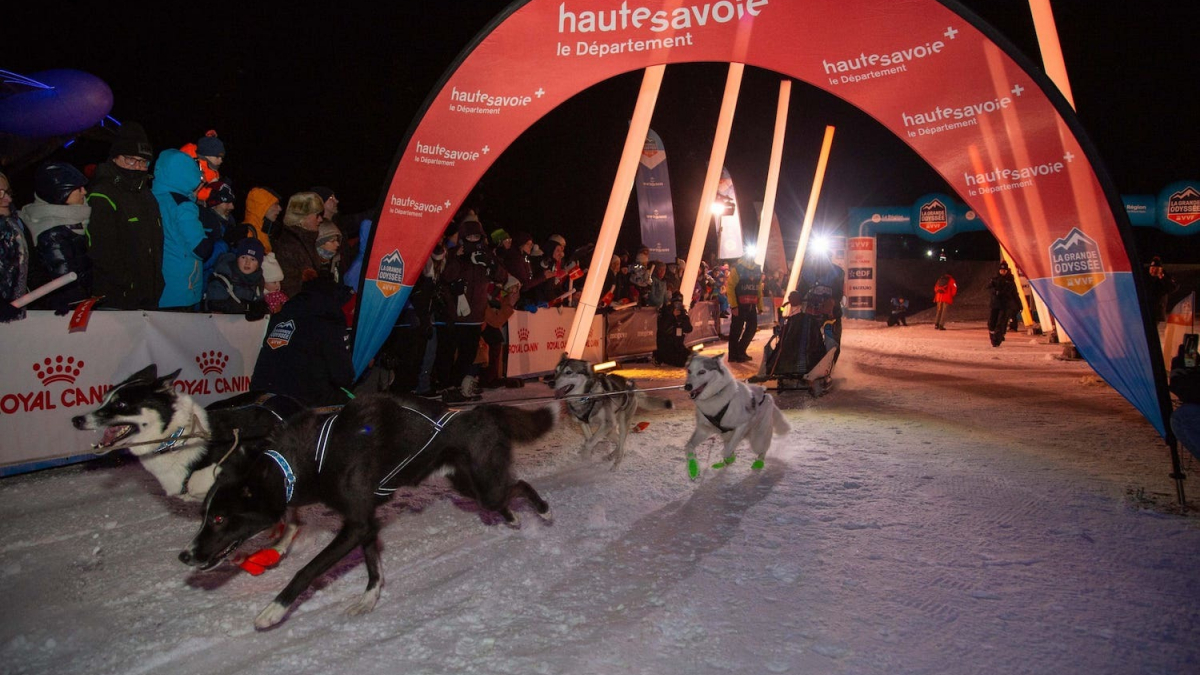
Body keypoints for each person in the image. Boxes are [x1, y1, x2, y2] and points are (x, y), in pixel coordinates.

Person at [85, 121, 165, 310]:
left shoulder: (146, 195)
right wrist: (128, 283)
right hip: (116, 298)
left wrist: (155, 283)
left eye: (143, 162)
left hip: (148, 297)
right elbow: (101, 250)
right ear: (115, 158)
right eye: (130, 159)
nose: (137, 167)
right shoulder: (102, 194)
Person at [250, 274, 355, 407]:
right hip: (301, 401)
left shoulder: (280, 317)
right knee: (354, 404)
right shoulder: (328, 323)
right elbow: (343, 376)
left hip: (262, 393)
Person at [436, 213, 507, 402]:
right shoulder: (453, 254)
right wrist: (459, 259)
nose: (474, 240)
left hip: (475, 316)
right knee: (447, 353)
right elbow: (445, 278)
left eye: (477, 237)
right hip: (453, 315)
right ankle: (444, 387)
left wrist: (490, 263)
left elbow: (502, 277)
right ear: (463, 237)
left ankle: (456, 385)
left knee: (468, 354)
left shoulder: (486, 255)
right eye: (470, 237)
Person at [22, 161, 93, 313]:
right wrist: (80, 308)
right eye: (77, 189)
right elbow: (66, 283)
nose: (84, 192)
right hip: (68, 313)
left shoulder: (73, 220)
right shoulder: (52, 232)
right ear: (60, 192)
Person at [152, 149, 208, 309]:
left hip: (159, 285)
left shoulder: (153, 198)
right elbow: (200, 248)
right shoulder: (183, 206)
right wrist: (210, 235)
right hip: (181, 288)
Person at [272, 191, 325, 298]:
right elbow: (290, 285)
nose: (320, 219)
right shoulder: (290, 244)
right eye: (317, 215)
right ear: (303, 217)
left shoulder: (305, 239)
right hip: (299, 306)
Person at [205, 238, 266, 316]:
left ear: (258, 264)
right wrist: (245, 307)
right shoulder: (223, 276)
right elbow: (214, 305)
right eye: (243, 257)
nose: (247, 263)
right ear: (237, 259)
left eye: (253, 259)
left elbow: (258, 305)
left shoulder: (258, 280)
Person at [0, 171, 30, 322]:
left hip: (18, 308)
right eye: (0, 194)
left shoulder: (15, 223)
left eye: (7, 192)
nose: (8, 199)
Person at [725, 250, 763, 363]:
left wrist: (760, 306)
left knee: (752, 328)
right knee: (736, 330)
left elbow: (759, 289)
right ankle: (733, 355)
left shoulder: (757, 269)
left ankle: (741, 351)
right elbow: (730, 287)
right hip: (739, 305)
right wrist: (734, 306)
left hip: (751, 305)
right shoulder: (738, 268)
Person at [198, 178, 236, 287]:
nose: (232, 206)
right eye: (227, 202)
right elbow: (202, 262)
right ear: (214, 203)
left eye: (232, 202)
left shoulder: (227, 222)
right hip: (202, 287)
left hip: (220, 289)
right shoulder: (203, 223)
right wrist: (225, 243)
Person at [180, 130, 224, 203]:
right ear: (206, 155)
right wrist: (210, 194)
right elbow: (188, 188)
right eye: (217, 157)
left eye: (222, 158)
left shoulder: (212, 170)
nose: (221, 160)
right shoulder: (191, 163)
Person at [987, 261, 1022, 347]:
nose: (1002, 272)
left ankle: (997, 340)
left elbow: (1015, 294)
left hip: (1005, 305)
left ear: (1007, 271)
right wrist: (995, 292)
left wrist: (1020, 305)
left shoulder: (1010, 281)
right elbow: (989, 289)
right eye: (1001, 270)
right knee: (992, 323)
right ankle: (994, 336)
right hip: (995, 304)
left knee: (1001, 322)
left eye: (1004, 270)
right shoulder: (994, 280)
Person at [654, 291, 693, 367]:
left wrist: (681, 320)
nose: (678, 305)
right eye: (676, 303)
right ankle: (658, 357)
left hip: (678, 345)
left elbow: (689, 329)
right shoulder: (665, 313)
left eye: (679, 303)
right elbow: (663, 328)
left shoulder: (682, 314)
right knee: (680, 362)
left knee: (692, 359)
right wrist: (672, 316)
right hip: (667, 346)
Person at [242, 187, 282, 252]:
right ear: (261, 206)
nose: (280, 209)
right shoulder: (248, 233)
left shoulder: (264, 231)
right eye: (276, 204)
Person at [1146, 256, 1178, 323]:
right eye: (1151, 268)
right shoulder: (1145, 277)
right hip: (1146, 310)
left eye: (1155, 268)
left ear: (1160, 269)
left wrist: (1162, 278)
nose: (1152, 270)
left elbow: (1172, 288)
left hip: (1157, 311)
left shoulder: (1165, 277)